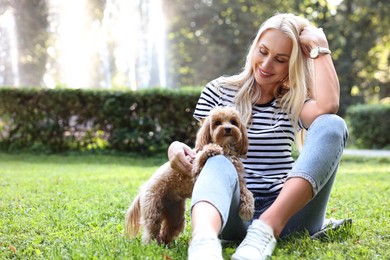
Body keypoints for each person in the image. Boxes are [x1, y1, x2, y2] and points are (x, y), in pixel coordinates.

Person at [168, 13, 349, 260]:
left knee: (332, 124)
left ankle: (265, 231)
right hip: (233, 213)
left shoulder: (293, 101)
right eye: (262, 52)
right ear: (254, 48)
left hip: (287, 214)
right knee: (217, 159)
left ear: (293, 64)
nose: (266, 65)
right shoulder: (218, 90)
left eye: (280, 59)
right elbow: (204, 148)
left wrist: (320, 47)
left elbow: (328, 106)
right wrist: (176, 147)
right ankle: (203, 243)